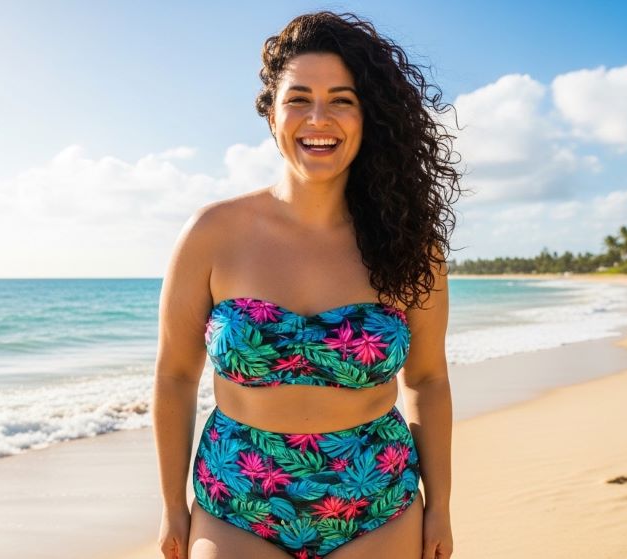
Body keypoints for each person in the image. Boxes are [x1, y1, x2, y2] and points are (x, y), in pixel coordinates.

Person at [152, 10, 463, 559]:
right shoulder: (211, 233)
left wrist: (439, 505)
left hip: (377, 498)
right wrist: (172, 504)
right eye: (298, 98)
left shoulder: (410, 245)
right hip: (238, 498)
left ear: (369, 117)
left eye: (342, 99)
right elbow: (176, 375)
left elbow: (429, 379)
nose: (319, 117)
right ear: (271, 112)